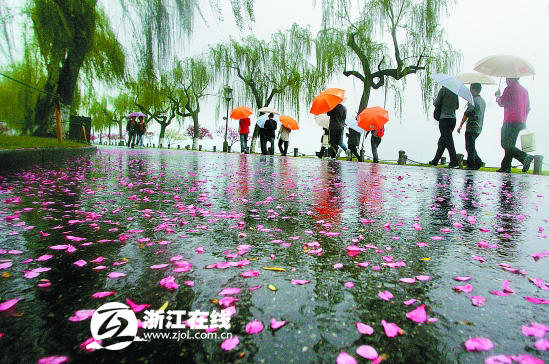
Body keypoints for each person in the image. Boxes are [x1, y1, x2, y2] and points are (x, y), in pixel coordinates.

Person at [495, 78, 533, 173]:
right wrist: (524, 121)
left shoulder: (509, 89)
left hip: (510, 120)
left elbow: (502, 103)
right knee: (511, 145)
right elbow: (528, 108)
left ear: (511, 78)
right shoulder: (524, 90)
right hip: (520, 121)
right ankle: (506, 166)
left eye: (507, 78)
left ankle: (524, 157)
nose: (505, 80)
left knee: (505, 144)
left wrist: (498, 96)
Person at [457, 83, 485, 170]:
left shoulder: (473, 101)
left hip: (472, 127)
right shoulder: (482, 101)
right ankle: (478, 161)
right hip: (479, 127)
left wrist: (460, 125)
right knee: (471, 146)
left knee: (469, 146)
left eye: (471, 89)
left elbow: (466, 113)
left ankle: (471, 164)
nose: (470, 91)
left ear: (474, 90)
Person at [429, 87, 459, 168]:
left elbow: (436, 103)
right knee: (442, 141)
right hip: (453, 119)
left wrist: (434, 100)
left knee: (449, 141)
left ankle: (454, 161)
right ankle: (435, 160)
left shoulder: (443, 90)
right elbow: (457, 106)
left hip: (444, 118)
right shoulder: (455, 91)